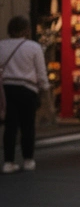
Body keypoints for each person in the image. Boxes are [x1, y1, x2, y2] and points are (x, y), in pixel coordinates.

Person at [2, 16, 51, 173]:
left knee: (10, 126)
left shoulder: (1, 45)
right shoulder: (33, 47)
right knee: (27, 125)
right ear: (26, 29)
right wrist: (45, 92)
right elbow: (41, 72)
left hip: (6, 89)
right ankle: (28, 159)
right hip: (27, 89)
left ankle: (8, 161)